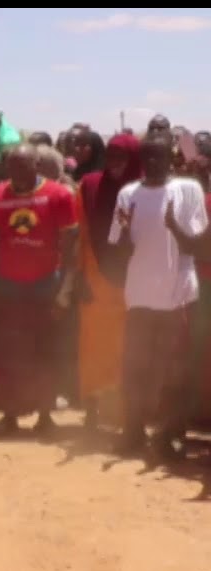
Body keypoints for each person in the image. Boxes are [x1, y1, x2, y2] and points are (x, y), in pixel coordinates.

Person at [114, 132, 206, 456]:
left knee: (176, 369)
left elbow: (197, 245)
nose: (153, 163)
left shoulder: (188, 189)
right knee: (135, 366)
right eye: (147, 157)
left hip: (177, 297)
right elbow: (120, 251)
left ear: (171, 158)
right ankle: (133, 430)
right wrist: (124, 232)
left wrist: (172, 224)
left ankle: (170, 434)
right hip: (138, 296)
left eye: (159, 156)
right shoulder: (128, 194)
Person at [0, 144, 79, 434]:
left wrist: (64, 290)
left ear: (36, 165)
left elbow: (70, 242)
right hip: (8, 285)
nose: (16, 173)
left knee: (44, 350)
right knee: (9, 352)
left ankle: (45, 414)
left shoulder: (58, 195)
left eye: (23, 166)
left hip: (46, 283)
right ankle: (10, 414)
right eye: (11, 167)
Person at [76, 134, 142, 428]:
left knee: (129, 348)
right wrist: (78, 275)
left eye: (122, 158)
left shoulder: (146, 189)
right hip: (96, 279)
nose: (115, 164)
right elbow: (79, 233)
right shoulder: (89, 185)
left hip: (137, 281)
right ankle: (92, 409)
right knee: (94, 346)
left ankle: (126, 415)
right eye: (111, 157)